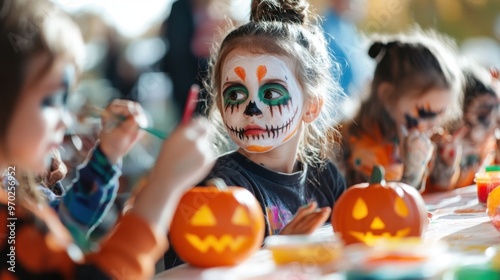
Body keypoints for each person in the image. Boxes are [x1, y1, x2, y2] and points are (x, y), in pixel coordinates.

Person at [0, 0, 214, 279]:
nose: (65, 120)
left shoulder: (14, 193)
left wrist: (108, 155)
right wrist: (162, 190)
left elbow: (63, 226)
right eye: (52, 100)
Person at [164, 0, 346, 269]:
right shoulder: (217, 188)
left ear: (312, 106)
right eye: (236, 94)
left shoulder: (325, 178)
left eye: (271, 93)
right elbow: (188, 272)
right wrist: (276, 252)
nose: (251, 109)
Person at [333, 28, 462, 191]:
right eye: (425, 113)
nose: (435, 124)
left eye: (443, 113)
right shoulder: (345, 146)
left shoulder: (426, 138)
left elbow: (436, 198)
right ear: (387, 96)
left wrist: (444, 167)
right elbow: (380, 210)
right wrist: (411, 175)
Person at [426, 62, 500, 191]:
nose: (494, 127)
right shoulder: (432, 148)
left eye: (498, 118)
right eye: (483, 116)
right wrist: (445, 166)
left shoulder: (489, 147)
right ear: (456, 117)